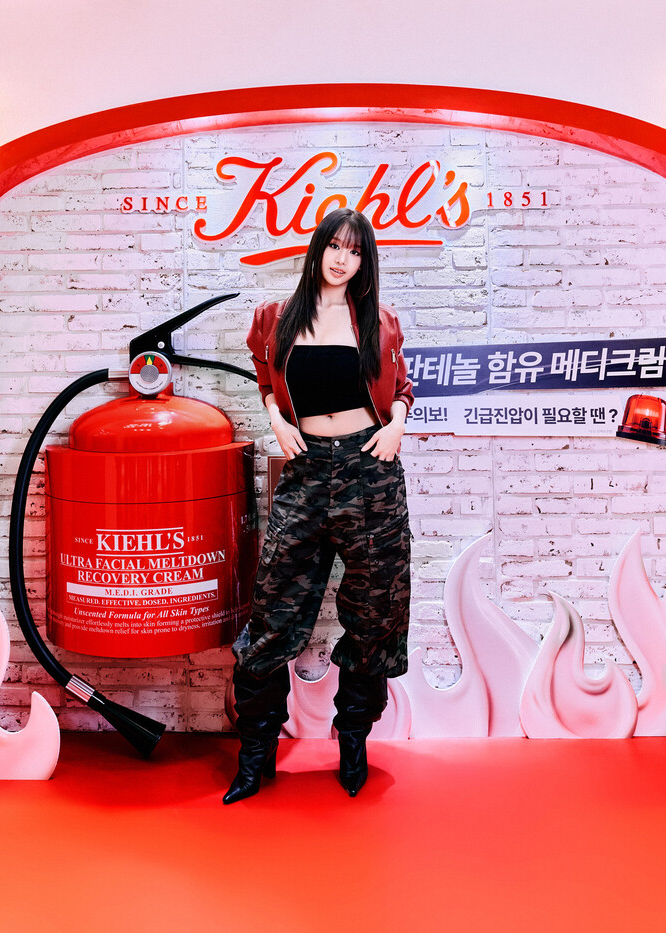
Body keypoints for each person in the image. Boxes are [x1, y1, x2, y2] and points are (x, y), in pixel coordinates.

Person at [224, 208, 414, 803]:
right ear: (317, 249)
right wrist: (276, 419)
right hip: (305, 470)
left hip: (370, 468)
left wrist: (396, 426)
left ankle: (353, 738)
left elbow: (401, 389)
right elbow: (265, 375)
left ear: (364, 262)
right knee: (274, 612)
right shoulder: (275, 318)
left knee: (376, 611)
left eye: (355, 252)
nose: (342, 260)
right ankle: (256, 752)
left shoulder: (379, 321)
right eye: (335, 246)